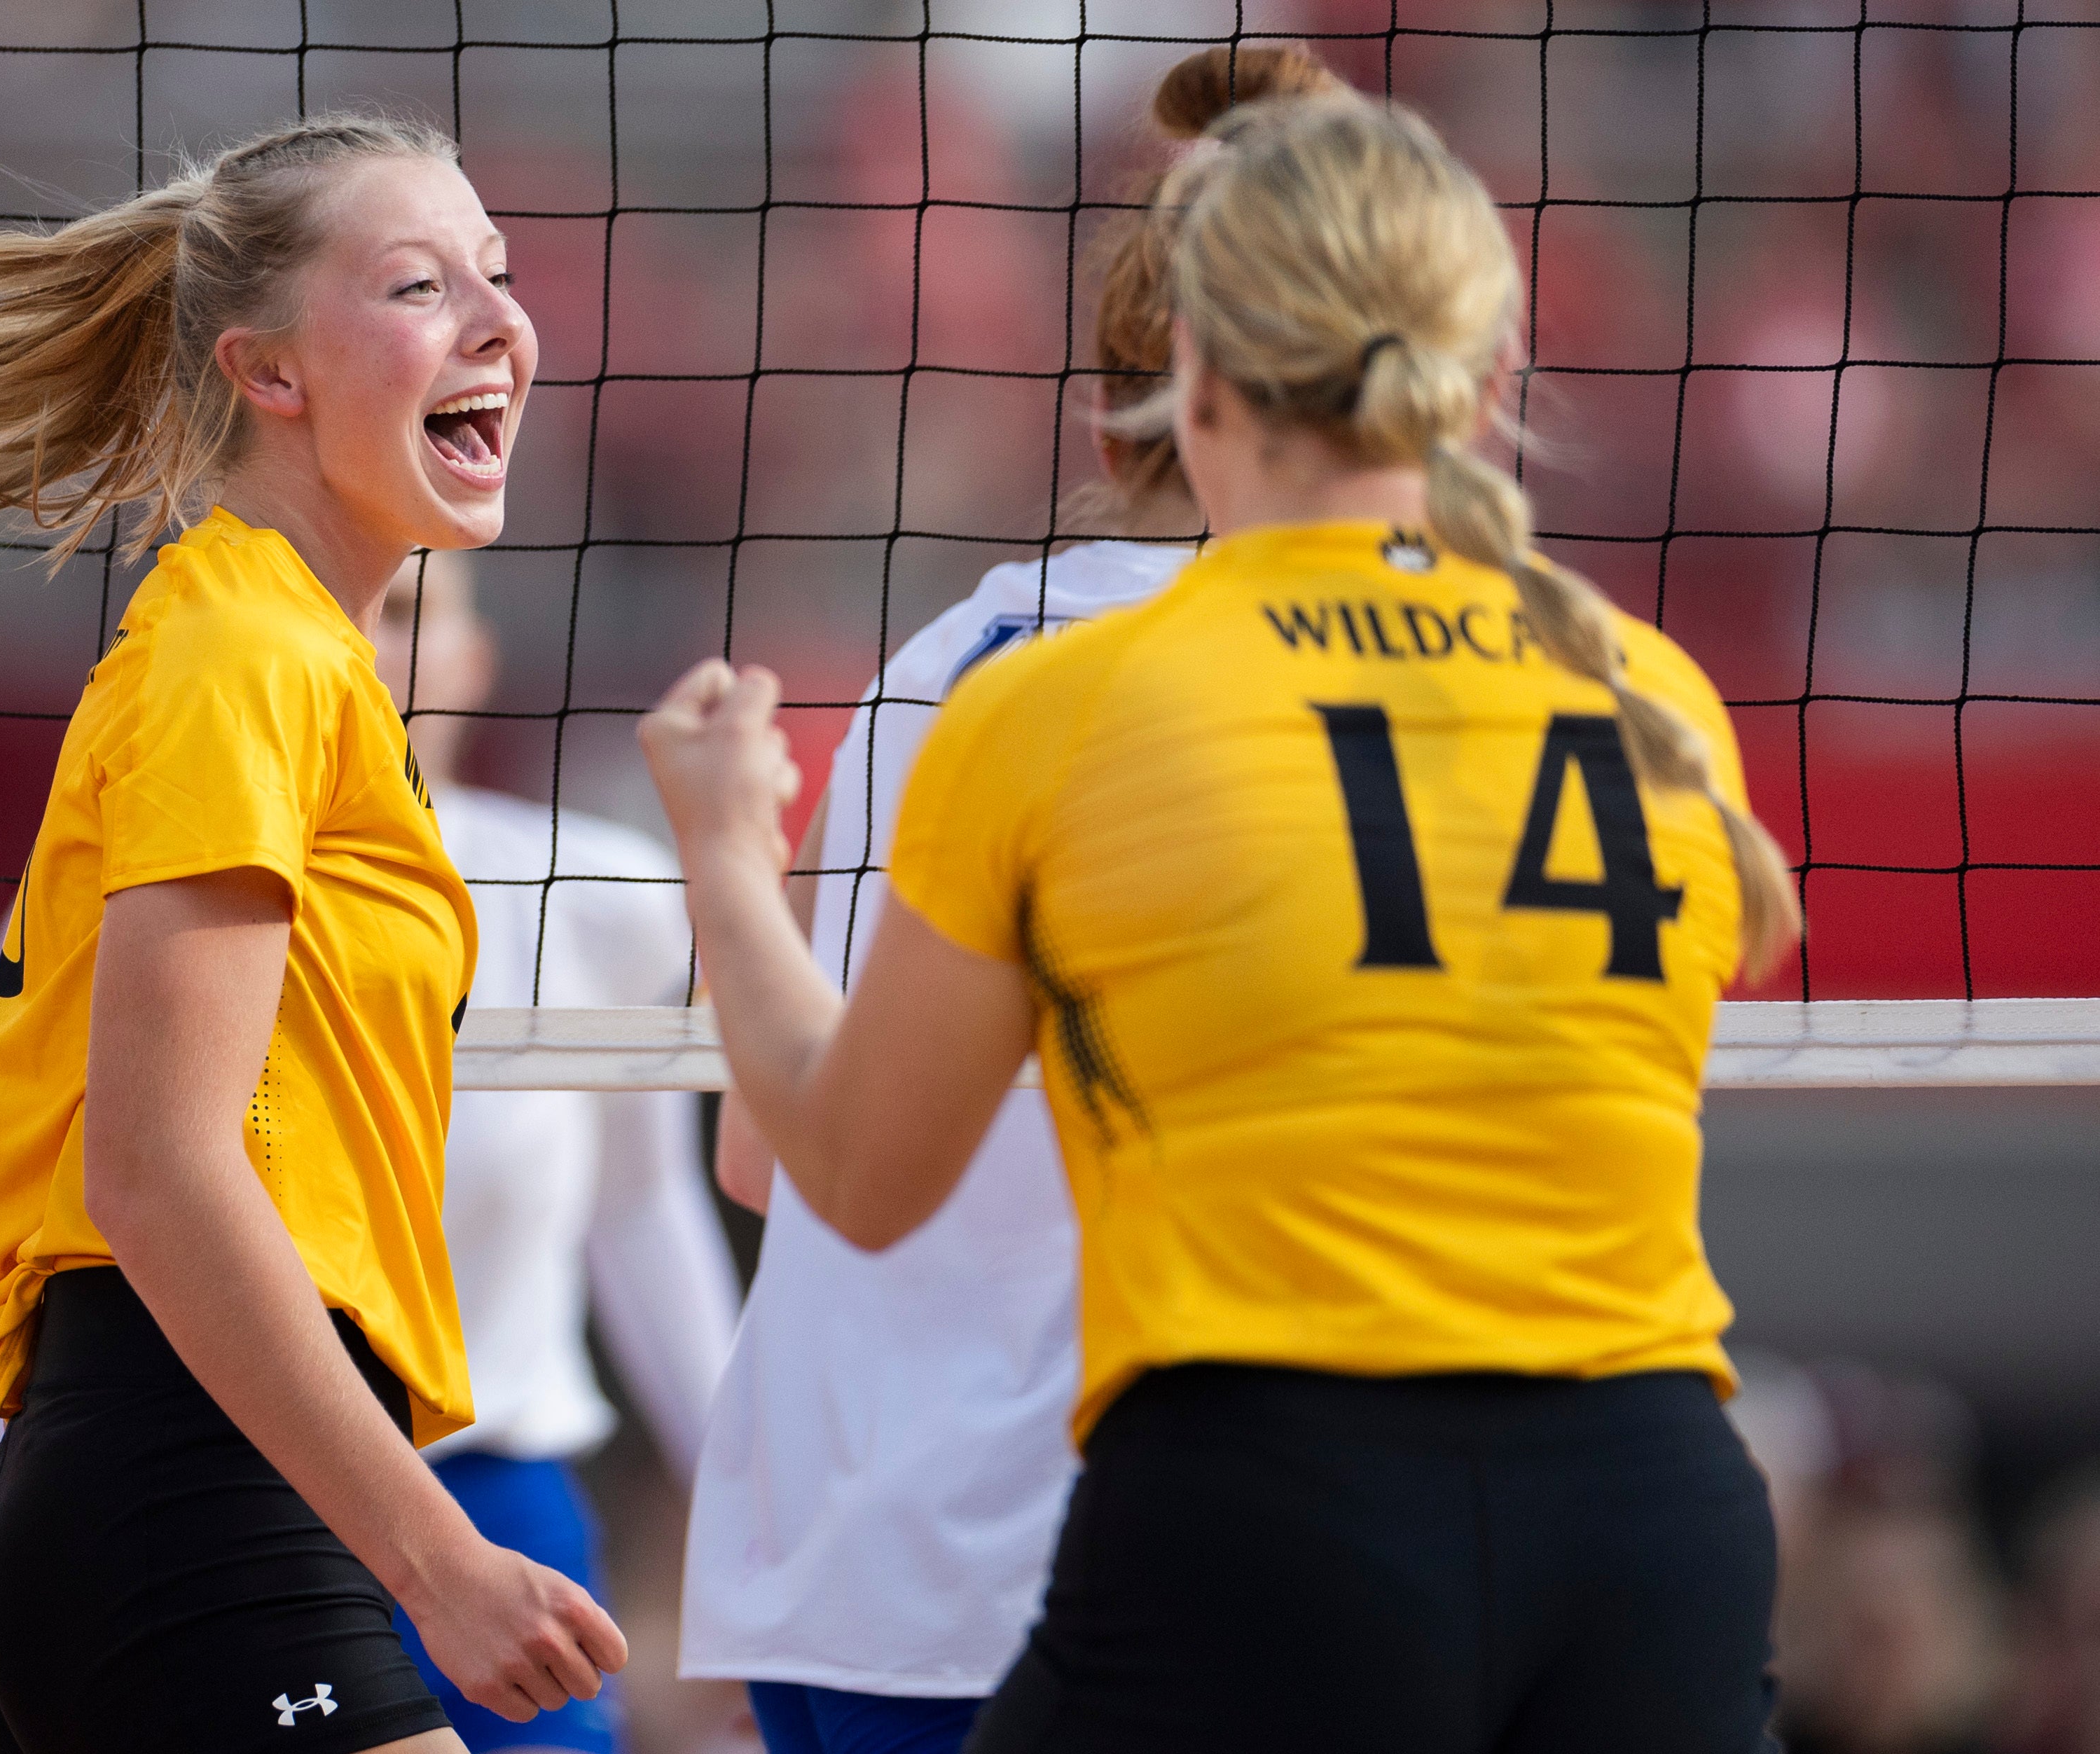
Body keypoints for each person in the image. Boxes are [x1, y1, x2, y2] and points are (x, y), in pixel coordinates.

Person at [640, 78, 1804, 1754]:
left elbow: (849, 1173)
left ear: (1184, 373)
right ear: (1483, 380)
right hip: (1654, 1507)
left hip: (1279, 1491)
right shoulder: (1648, 691)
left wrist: (728, 854)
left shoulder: (1051, 694)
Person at [0, 113, 626, 1754]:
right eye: (417, 283)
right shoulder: (241, 651)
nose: (496, 320)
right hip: (189, 1488)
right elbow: (163, 1168)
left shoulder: (291, 654)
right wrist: (441, 1554)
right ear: (267, 372)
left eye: (500, 273)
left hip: (177, 1481)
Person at [673, 46, 1340, 1754]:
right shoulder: (1409, 679)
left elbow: (771, 1158)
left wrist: (731, 867)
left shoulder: (953, 661)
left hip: (837, 1556)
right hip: (1110, 1581)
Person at [366, 548, 744, 1753]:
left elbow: (645, 1215)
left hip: (500, 1493)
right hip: (220, 1491)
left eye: (411, 611)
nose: (370, 640)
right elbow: (1, 1258)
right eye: (339, 605)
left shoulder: (604, 892)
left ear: (477, 660)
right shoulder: (127, 887)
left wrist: (756, 1516)